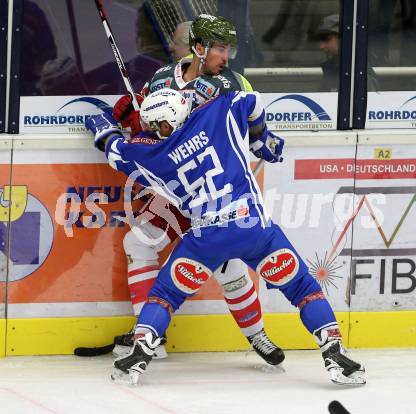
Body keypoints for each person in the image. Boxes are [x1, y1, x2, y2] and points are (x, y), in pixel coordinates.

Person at [85, 88, 366, 387]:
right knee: (303, 288)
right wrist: (260, 138)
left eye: (158, 125)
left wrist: (106, 131)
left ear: (169, 120)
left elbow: (115, 151)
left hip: (207, 236)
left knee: (164, 296)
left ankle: (139, 355)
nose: (155, 131)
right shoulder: (217, 111)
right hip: (254, 229)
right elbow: (253, 100)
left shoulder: (153, 153)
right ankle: (334, 352)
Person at [109, 15, 285, 366]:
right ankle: (150, 338)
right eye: (220, 49)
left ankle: (258, 336)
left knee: (228, 265)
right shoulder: (161, 78)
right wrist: (133, 118)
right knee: (138, 243)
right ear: (198, 49)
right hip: (174, 190)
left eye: (229, 49)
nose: (227, 57)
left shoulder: (234, 85)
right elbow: (148, 127)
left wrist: (264, 141)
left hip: (211, 193)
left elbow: (251, 133)